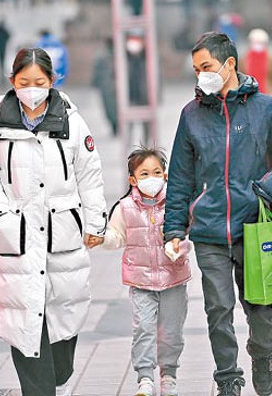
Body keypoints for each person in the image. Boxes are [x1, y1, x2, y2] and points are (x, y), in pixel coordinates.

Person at [164, 32, 272, 396]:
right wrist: (174, 229)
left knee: (258, 306)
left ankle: (262, 355)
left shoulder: (267, 109)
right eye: (196, 69)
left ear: (229, 64)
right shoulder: (191, 116)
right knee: (218, 309)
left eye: (206, 67)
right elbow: (180, 177)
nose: (200, 76)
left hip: (253, 228)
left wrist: (264, 189)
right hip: (209, 230)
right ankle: (228, 377)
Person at [0, 47, 108, 396]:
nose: (31, 88)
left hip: (62, 233)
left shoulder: (71, 121)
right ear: (12, 81)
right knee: (24, 321)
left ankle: (55, 376)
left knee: (64, 326)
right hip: (17, 235)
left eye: (39, 81)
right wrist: (0, 212)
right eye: (23, 81)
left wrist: (95, 223)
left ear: (52, 81)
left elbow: (89, 174)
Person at [100, 146, 192, 396]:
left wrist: (180, 246)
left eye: (156, 172)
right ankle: (145, 379)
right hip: (141, 283)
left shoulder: (175, 204)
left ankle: (169, 376)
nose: (151, 179)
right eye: (144, 174)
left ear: (165, 175)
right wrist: (100, 239)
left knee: (172, 332)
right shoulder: (124, 207)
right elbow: (116, 236)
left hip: (174, 279)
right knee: (144, 329)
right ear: (132, 179)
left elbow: (188, 233)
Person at [239, 28, 272, 102]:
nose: (257, 45)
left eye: (260, 42)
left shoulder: (270, 60)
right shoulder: (244, 59)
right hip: (248, 98)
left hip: (265, 96)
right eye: (255, 42)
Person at [91, 37, 117, 136]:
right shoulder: (119, 54)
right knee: (114, 107)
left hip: (106, 86)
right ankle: (116, 125)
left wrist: (95, 83)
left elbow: (96, 71)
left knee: (109, 107)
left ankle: (114, 126)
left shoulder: (101, 56)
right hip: (113, 86)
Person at [0, 18, 11, 83]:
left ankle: (2, 66)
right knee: (1, 56)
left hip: (2, 45)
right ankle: (1, 66)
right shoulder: (1, 30)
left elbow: (8, 36)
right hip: (1, 45)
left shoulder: (1, 30)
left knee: (2, 56)